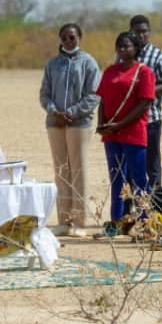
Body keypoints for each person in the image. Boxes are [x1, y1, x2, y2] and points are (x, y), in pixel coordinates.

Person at [39, 22, 100, 237]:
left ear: (79, 38)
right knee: (61, 170)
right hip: (55, 123)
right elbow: (44, 93)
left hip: (79, 123)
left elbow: (94, 94)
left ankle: (79, 221)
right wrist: (54, 111)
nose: (68, 41)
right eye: (64, 37)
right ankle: (63, 220)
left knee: (78, 170)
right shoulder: (53, 64)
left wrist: (72, 112)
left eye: (72, 37)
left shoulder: (88, 62)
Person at [96, 32, 156, 235]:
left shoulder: (144, 72)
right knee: (116, 178)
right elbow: (102, 100)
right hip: (112, 133)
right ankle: (116, 222)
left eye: (127, 45)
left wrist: (120, 124)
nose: (123, 49)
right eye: (119, 46)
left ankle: (145, 223)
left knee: (139, 179)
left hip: (133, 132)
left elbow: (145, 103)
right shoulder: (110, 71)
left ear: (136, 48)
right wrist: (101, 124)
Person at [130, 15, 162, 188]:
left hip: (151, 118)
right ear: (130, 32)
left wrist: (146, 91)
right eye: (136, 32)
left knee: (152, 164)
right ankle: (131, 209)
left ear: (149, 33)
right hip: (128, 120)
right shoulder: (124, 53)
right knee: (130, 164)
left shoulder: (158, 55)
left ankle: (155, 207)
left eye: (144, 32)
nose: (140, 35)